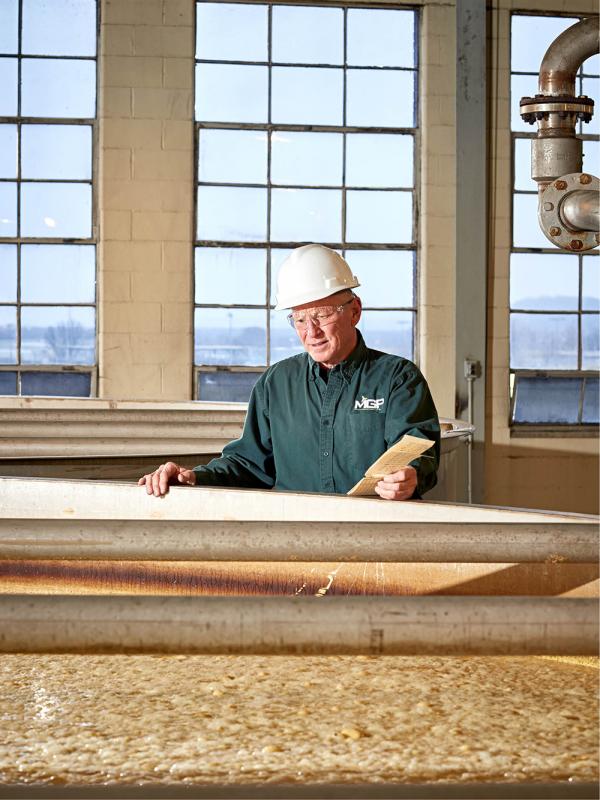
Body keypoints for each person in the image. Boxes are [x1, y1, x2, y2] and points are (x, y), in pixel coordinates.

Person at [139, 244, 440, 501]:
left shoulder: (397, 379)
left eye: (322, 315)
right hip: (296, 535)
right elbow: (249, 464)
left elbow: (418, 450)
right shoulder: (276, 384)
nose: (312, 332)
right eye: (299, 320)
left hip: (373, 536)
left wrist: (411, 475)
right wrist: (193, 477)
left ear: (354, 311)